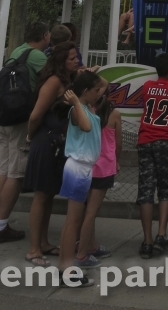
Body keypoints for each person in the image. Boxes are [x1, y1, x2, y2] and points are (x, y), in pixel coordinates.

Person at [0, 20, 51, 244]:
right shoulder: (38, 56)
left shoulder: (17, 51)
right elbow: (54, 80)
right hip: (21, 120)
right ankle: (1, 226)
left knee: (2, 172)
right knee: (15, 174)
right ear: (45, 36)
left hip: (4, 118)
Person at [22, 42, 80, 262]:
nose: (76, 61)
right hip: (45, 141)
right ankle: (34, 248)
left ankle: (44, 242)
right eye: (71, 59)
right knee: (40, 195)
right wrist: (30, 136)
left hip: (59, 143)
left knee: (49, 195)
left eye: (76, 58)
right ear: (60, 61)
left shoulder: (68, 81)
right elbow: (36, 115)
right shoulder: (54, 81)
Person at [136, 53, 168, 259]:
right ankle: (161, 235)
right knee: (165, 189)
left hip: (146, 139)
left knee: (146, 191)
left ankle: (147, 241)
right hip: (166, 140)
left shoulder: (148, 86)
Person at [57, 71, 103, 281]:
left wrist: (92, 74)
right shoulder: (78, 111)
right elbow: (84, 127)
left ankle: (66, 267)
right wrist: (75, 101)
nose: (99, 93)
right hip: (78, 166)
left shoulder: (87, 109)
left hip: (84, 167)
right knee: (73, 221)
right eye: (94, 91)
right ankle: (66, 268)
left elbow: (104, 85)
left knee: (74, 220)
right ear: (85, 92)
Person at [77, 78, 122, 264]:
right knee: (91, 212)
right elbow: (118, 144)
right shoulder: (114, 115)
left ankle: (91, 244)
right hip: (104, 167)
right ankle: (81, 253)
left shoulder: (87, 111)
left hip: (88, 165)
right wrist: (117, 160)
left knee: (87, 208)